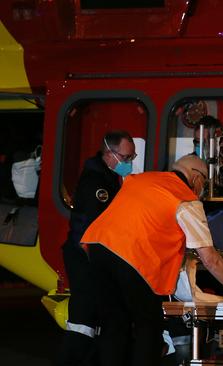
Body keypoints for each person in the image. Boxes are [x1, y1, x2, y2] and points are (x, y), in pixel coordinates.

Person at [80, 155, 223, 366]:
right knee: (148, 326)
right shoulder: (185, 198)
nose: (202, 189)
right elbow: (210, 258)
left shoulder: (141, 179)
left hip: (96, 249)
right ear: (196, 178)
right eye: (204, 183)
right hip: (132, 260)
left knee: (114, 325)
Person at [57, 130, 136, 366]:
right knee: (83, 323)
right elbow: (90, 233)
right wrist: (103, 268)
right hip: (85, 259)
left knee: (95, 322)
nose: (129, 163)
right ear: (110, 154)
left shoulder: (107, 178)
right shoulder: (96, 184)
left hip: (92, 259)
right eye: (126, 157)